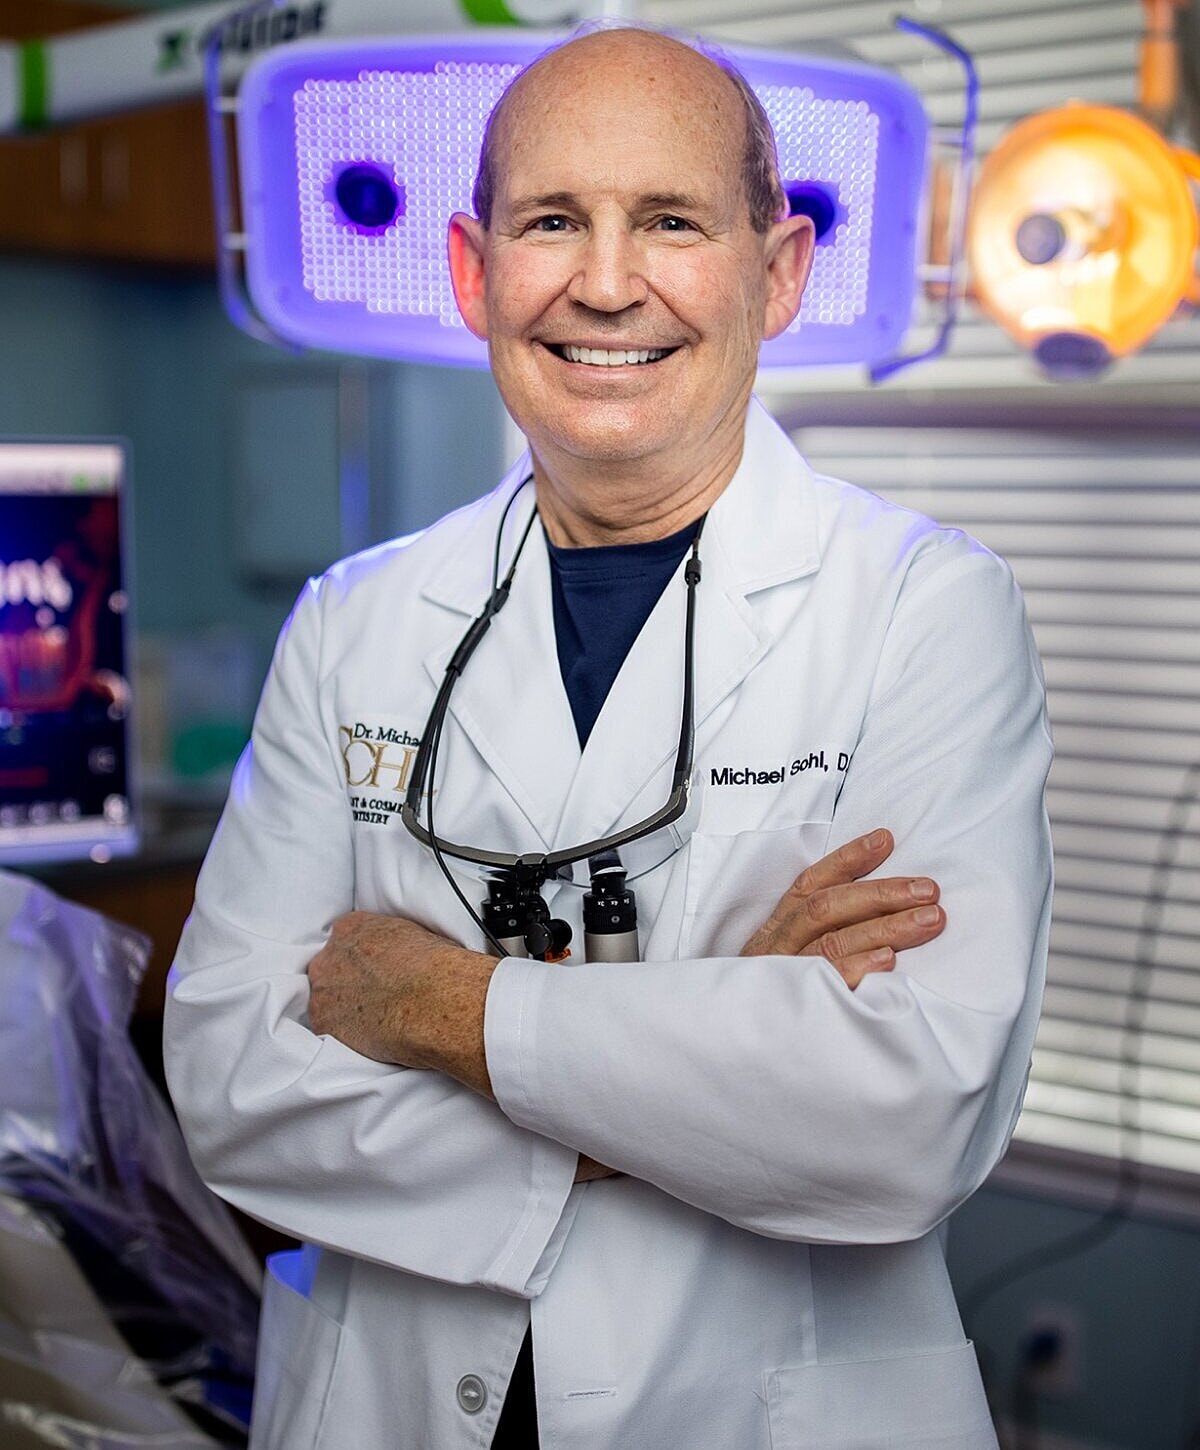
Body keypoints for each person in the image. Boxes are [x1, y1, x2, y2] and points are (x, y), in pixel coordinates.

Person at [164, 22, 1052, 1450]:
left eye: (672, 221)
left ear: (779, 272)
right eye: (553, 220)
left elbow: (905, 1112)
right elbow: (230, 1085)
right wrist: (709, 1050)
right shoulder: (355, 622)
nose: (606, 281)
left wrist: (438, 1010)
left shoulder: (925, 609)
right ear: (471, 270)